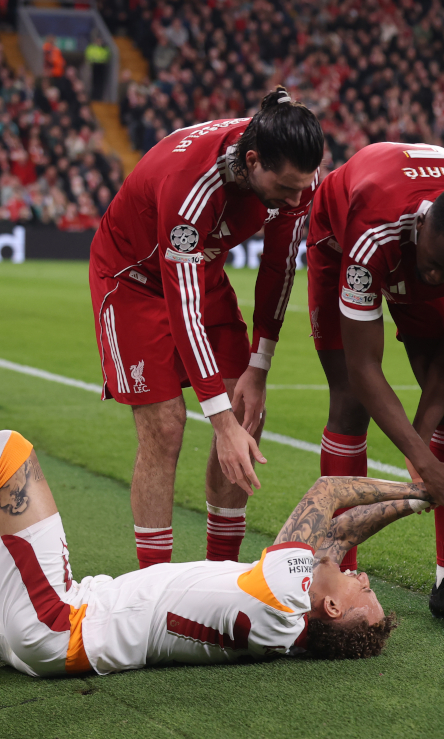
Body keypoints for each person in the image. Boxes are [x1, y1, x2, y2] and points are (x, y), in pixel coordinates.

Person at [0, 429, 444, 697]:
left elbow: (328, 495)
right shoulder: (289, 618)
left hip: (63, 624)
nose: (363, 575)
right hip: (55, 646)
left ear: (329, 606)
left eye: (363, 591)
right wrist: (419, 499)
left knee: (8, 455)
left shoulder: (281, 596)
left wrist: (423, 478)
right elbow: (341, 532)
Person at [88, 87, 322, 569]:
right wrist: (220, 422)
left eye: (303, 187)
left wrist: (259, 366)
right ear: (252, 162)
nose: (297, 199)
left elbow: (279, 269)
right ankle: (154, 587)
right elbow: (183, 308)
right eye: (286, 188)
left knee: (247, 411)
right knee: (166, 428)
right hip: (133, 280)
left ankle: (221, 576)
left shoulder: (295, 174)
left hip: (201, 270)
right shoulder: (190, 188)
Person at [305, 141, 444, 625]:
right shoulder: (374, 233)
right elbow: (364, 367)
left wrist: (420, 449)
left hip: (404, 238)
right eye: (434, 262)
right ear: (422, 226)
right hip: (339, 236)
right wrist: (426, 464)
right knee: (349, 401)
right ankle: (336, 574)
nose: (435, 276)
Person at [85, 33, 110, 100]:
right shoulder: (91, 47)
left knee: (100, 83)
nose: (99, 41)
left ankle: (99, 97)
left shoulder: (104, 48)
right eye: (98, 40)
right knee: (93, 82)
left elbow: (106, 56)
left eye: (100, 40)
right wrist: (94, 60)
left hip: (101, 66)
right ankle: (93, 97)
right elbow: (88, 55)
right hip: (94, 66)